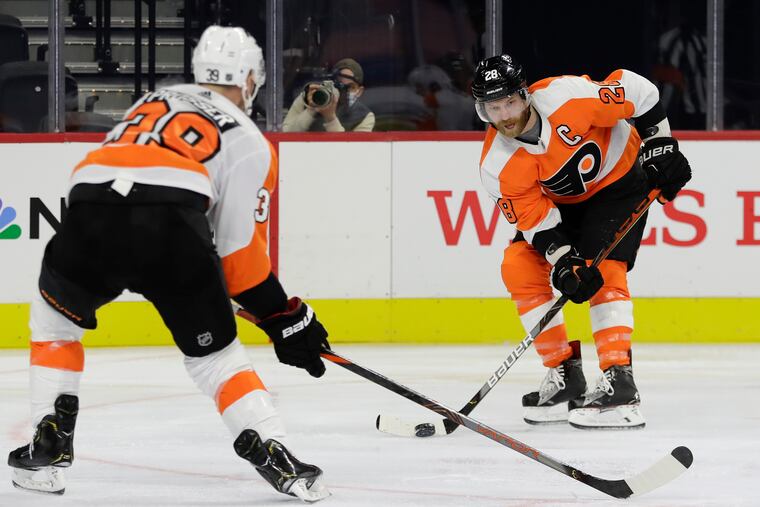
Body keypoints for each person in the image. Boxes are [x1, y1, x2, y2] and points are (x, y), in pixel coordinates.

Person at [7, 26, 331, 502]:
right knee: (215, 358)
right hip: (169, 223)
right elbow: (240, 262)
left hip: (90, 203)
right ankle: (270, 447)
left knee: (55, 325)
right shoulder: (251, 141)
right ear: (249, 79)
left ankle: (49, 439)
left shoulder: (156, 98)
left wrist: (280, 318)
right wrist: (285, 318)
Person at [472, 55, 691, 429]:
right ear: (482, 110)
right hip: (565, 205)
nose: (504, 115)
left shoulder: (567, 97)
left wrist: (661, 145)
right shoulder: (497, 165)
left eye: (509, 102)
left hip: (620, 183)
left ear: (525, 95)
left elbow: (640, 91)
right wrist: (562, 262)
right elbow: (535, 222)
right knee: (519, 266)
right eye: (493, 107)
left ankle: (619, 382)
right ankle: (564, 375)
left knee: (603, 266)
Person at [282, 58, 375, 132]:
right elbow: (286, 134)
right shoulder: (310, 97)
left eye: (350, 87)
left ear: (359, 91)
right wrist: (311, 110)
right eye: (339, 85)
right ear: (330, 83)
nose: (344, 91)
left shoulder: (365, 116)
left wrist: (330, 118)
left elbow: (352, 150)